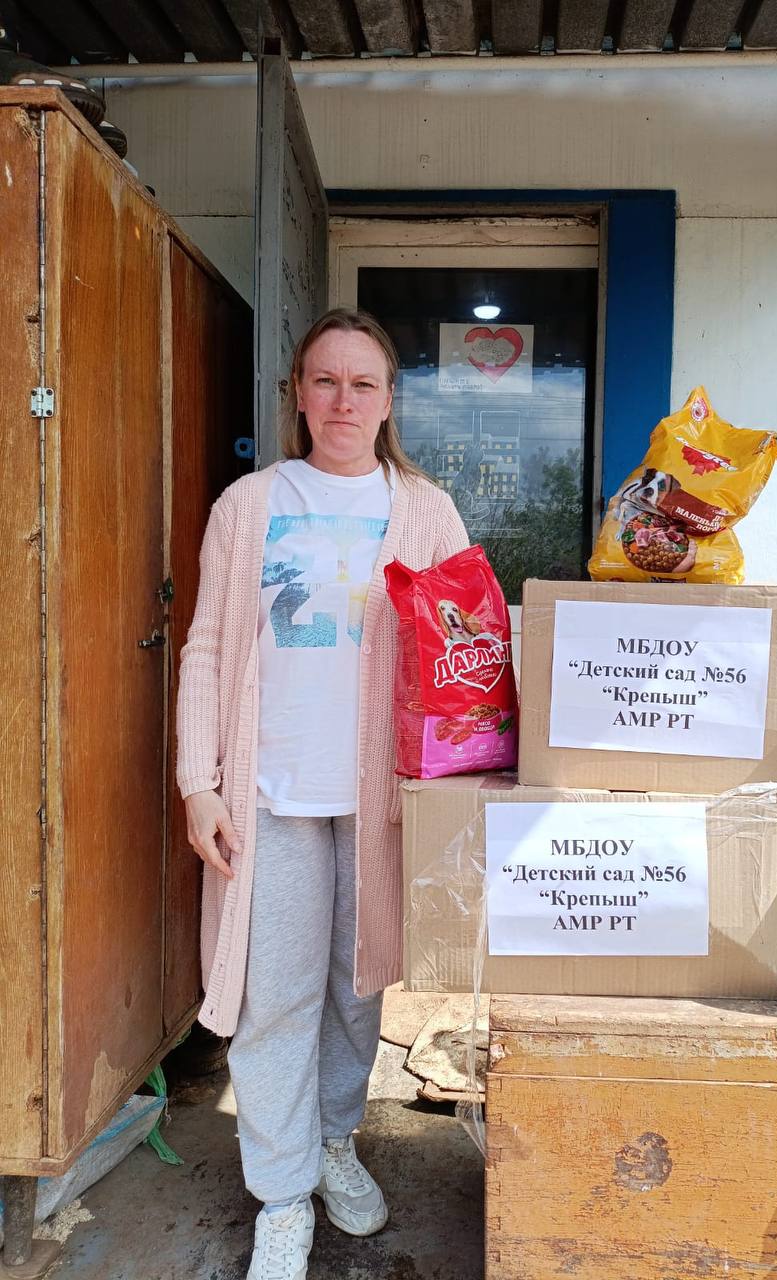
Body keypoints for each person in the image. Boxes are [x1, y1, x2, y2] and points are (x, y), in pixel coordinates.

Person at [176, 307, 470, 1280]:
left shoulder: (425, 510)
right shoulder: (250, 504)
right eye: (326, 381)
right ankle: (281, 1190)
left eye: (363, 383)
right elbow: (208, 647)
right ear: (299, 394)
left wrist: (452, 787)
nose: (343, 400)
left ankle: (336, 1139)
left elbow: (465, 650)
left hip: (379, 798)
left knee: (357, 987)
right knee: (276, 997)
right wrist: (199, 783)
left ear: (388, 401)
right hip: (270, 794)